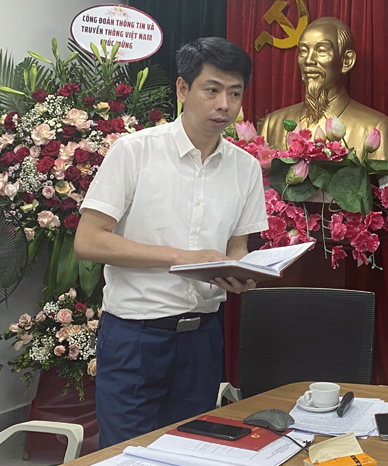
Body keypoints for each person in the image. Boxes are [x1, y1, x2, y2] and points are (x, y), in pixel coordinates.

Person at [75, 37, 268, 447]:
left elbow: (237, 247)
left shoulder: (246, 168)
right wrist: (184, 257)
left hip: (202, 337)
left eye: (235, 94)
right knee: (127, 452)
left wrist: (242, 272)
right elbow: (88, 241)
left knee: (188, 450)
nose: (224, 105)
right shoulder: (134, 152)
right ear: (182, 89)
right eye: (212, 90)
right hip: (135, 336)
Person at [259, 17, 388, 161]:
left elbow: (387, 176)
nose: (308, 60)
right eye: (303, 51)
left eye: (321, 51)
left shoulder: (374, 128)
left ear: (346, 61)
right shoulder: (273, 124)